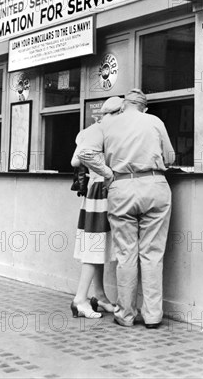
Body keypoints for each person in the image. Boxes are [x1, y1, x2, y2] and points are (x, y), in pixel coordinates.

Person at [77, 88, 175, 329]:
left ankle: (126, 315)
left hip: (121, 188)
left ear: (124, 106)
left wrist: (108, 172)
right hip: (155, 186)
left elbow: (85, 152)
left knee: (126, 254)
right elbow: (170, 157)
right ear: (144, 107)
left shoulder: (107, 125)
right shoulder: (154, 121)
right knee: (153, 254)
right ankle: (153, 316)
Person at [70, 96, 123, 319]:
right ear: (117, 113)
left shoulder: (88, 131)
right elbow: (80, 158)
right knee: (95, 247)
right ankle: (80, 299)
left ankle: (99, 296)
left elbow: (75, 160)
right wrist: (106, 171)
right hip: (101, 190)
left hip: (94, 193)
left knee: (98, 246)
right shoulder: (102, 130)